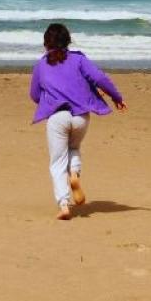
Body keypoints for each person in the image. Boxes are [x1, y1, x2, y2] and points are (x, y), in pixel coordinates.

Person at [30, 23, 126, 220]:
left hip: (57, 117)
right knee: (73, 147)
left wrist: (48, 100)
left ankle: (64, 205)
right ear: (68, 40)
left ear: (46, 43)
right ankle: (74, 174)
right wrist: (116, 97)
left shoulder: (41, 65)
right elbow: (100, 78)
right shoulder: (79, 59)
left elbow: (34, 94)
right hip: (81, 116)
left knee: (57, 162)